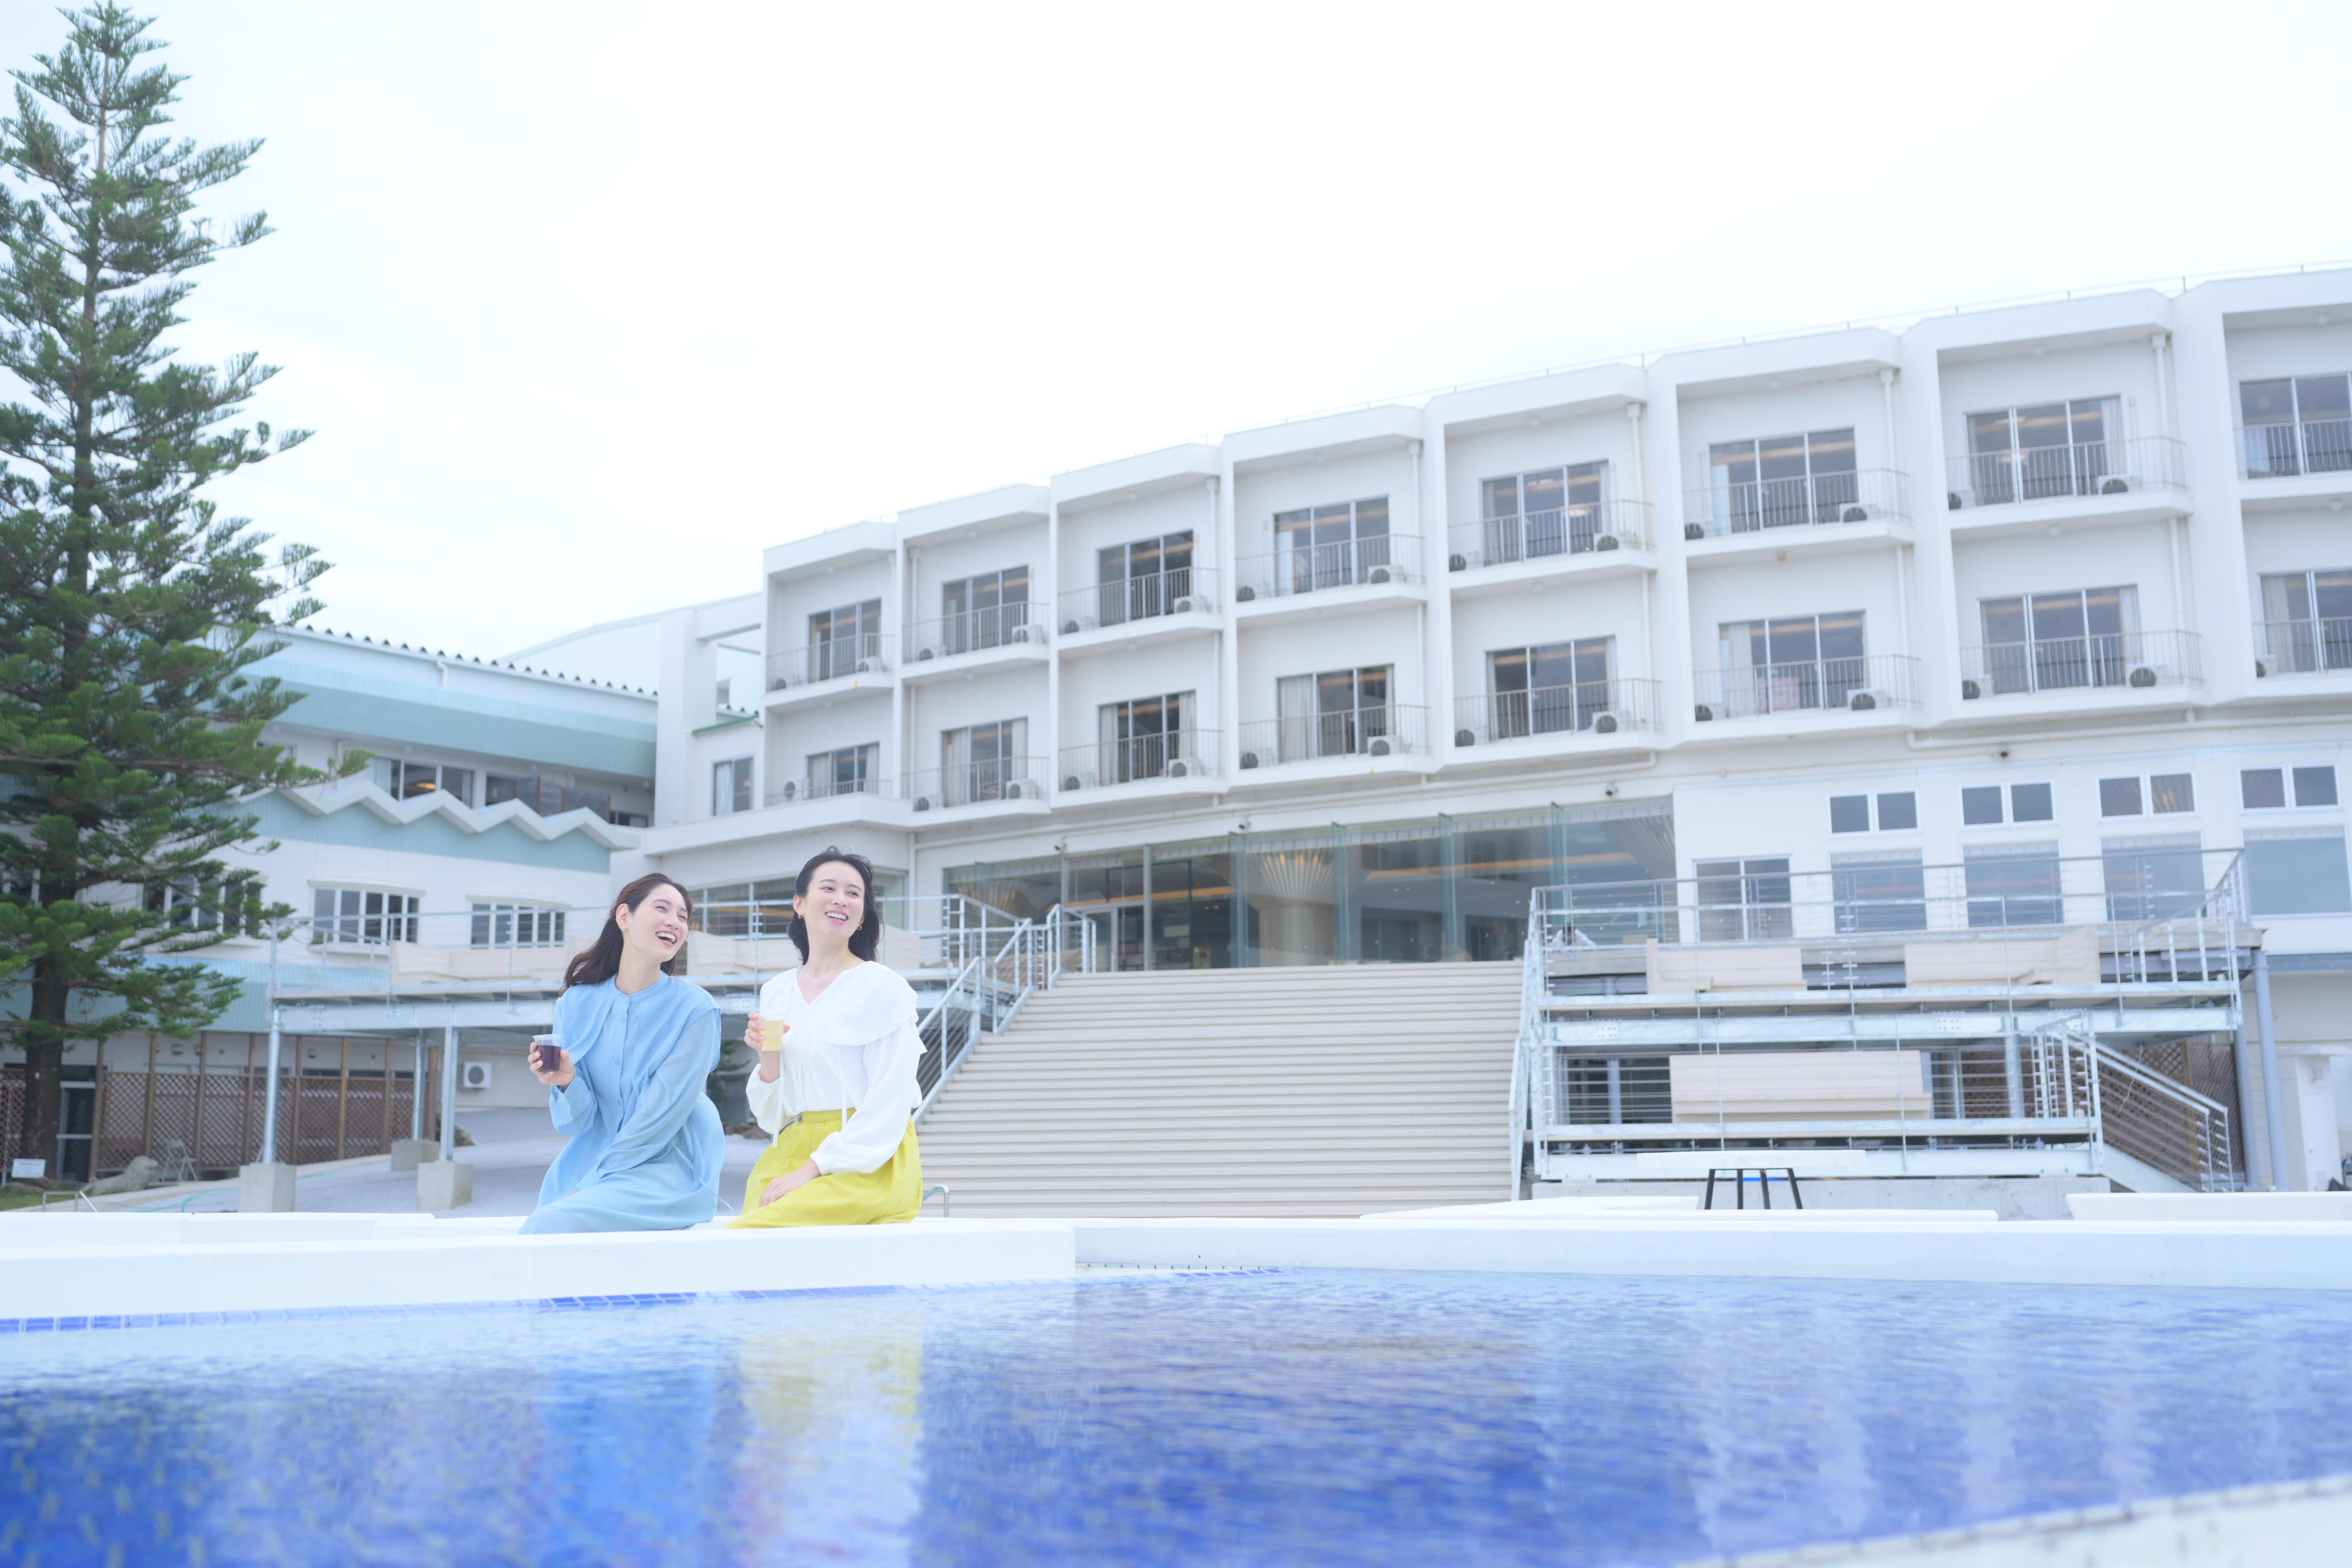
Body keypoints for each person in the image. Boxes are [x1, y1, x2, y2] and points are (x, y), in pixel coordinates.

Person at [729, 846, 923, 1229]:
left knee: (755, 1232)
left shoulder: (883, 987)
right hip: (792, 1150)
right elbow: (772, 1116)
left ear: (862, 915)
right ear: (799, 904)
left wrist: (814, 1168)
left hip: (868, 1158)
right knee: (745, 1237)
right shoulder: (776, 991)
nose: (841, 900)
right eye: (829, 888)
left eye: (854, 893)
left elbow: (892, 1098)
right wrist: (767, 1055)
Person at [519, 874, 724, 1234]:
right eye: (662, 909)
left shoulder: (696, 1009)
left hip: (664, 1167)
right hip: (588, 1159)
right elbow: (576, 1124)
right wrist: (567, 1082)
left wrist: (594, 1183)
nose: (674, 922)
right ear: (624, 917)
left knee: (550, 1225)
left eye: (682, 917)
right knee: (543, 1229)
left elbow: (659, 1117)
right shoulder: (575, 1003)